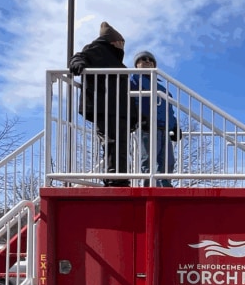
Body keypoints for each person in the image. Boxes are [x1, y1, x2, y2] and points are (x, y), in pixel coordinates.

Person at [69, 22, 135, 186]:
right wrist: (78, 65)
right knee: (112, 142)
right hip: (105, 106)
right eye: (120, 42)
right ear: (113, 41)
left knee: (119, 144)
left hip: (117, 108)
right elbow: (78, 57)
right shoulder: (96, 49)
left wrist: (135, 115)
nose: (122, 46)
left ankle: (119, 177)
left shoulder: (115, 61)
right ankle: (114, 179)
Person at [130, 51, 181, 187]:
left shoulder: (163, 89)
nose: (147, 61)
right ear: (136, 65)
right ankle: (148, 188)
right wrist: (138, 118)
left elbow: (169, 110)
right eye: (143, 59)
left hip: (164, 129)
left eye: (150, 60)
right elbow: (130, 102)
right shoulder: (133, 81)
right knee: (148, 161)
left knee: (168, 162)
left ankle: (165, 187)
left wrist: (175, 125)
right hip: (146, 127)